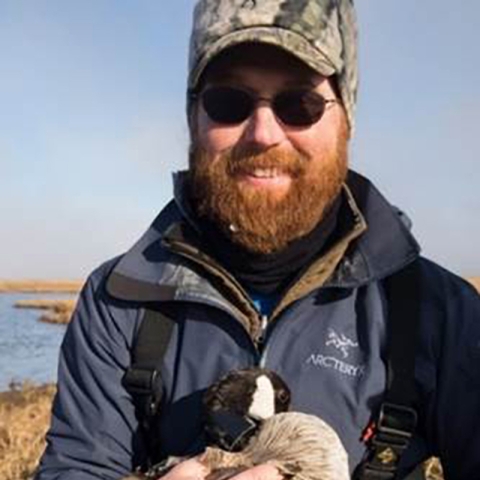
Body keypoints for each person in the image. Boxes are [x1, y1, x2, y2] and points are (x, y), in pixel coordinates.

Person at [36, 1, 480, 479]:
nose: (264, 134)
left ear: (345, 120)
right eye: (229, 103)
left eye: (299, 105)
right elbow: (77, 466)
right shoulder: (117, 301)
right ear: (193, 119)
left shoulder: (442, 312)